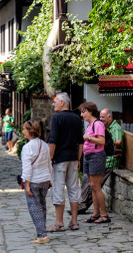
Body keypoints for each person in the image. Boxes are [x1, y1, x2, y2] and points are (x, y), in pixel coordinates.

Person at [47, 92, 84, 232]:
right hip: (73, 158)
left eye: (55, 101)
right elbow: (81, 142)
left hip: (60, 159)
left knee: (58, 188)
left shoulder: (57, 118)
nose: (53, 103)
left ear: (62, 103)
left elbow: (53, 141)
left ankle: (59, 222)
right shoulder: (76, 118)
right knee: (74, 188)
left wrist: (49, 159)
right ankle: (74, 221)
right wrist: (79, 159)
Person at [21, 120, 53, 244]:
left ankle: (42, 235)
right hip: (44, 179)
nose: (23, 131)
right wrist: (49, 178)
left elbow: (27, 167)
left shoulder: (27, 147)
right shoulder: (44, 145)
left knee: (34, 208)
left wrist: (27, 184)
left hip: (34, 180)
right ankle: (41, 230)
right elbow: (49, 163)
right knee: (42, 206)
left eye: (24, 129)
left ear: (29, 131)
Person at [80, 102, 110, 224]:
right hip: (89, 156)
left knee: (96, 186)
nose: (82, 115)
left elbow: (101, 141)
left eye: (83, 112)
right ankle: (95, 213)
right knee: (93, 186)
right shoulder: (90, 125)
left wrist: (89, 138)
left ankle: (104, 215)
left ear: (90, 111)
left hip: (96, 156)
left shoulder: (97, 124)